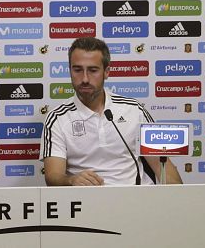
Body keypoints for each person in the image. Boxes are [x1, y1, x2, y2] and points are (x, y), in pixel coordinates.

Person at [42, 37, 182, 186]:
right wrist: (71, 180)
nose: (84, 79)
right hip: (89, 201)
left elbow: (163, 166)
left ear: (106, 72)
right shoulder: (57, 119)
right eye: (77, 70)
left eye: (93, 70)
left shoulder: (134, 110)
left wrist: (177, 201)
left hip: (138, 200)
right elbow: (53, 176)